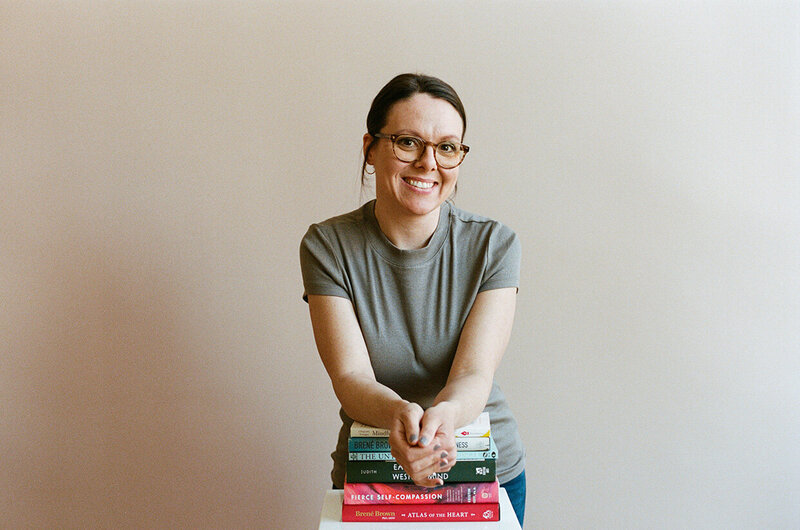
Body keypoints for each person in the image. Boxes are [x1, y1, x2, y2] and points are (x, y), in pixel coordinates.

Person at [299, 73, 526, 526]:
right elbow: (349, 375)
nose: (428, 163)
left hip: (482, 473)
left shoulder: (495, 245)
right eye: (408, 142)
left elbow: (474, 373)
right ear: (370, 147)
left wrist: (441, 420)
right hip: (371, 467)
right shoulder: (327, 246)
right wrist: (400, 414)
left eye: (447, 147)